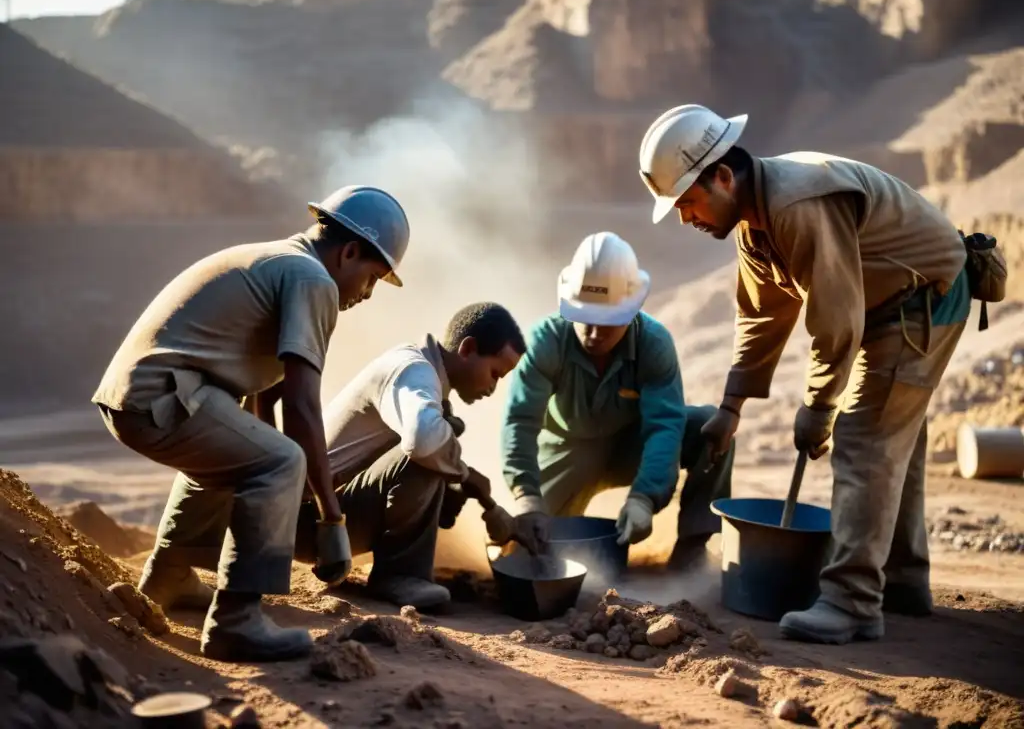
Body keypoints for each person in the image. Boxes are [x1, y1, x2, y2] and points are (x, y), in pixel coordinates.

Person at [637, 103, 977, 644]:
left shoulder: (797, 203)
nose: (685, 218)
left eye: (688, 202)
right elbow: (761, 317)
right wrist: (730, 409)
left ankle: (852, 601)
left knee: (865, 438)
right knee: (895, 440)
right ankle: (902, 582)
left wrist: (820, 407)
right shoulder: (755, 223)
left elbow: (835, 316)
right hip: (885, 306)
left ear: (723, 177)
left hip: (922, 301)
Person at [91, 185, 411, 662]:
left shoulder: (278, 261)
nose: (366, 295)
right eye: (371, 279)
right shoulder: (313, 281)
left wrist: (276, 462)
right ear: (349, 252)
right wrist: (331, 516)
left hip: (139, 396)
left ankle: (170, 579)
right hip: (159, 399)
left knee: (251, 455)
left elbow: (266, 398)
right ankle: (236, 623)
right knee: (283, 461)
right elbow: (302, 408)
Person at [499, 232, 734, 568]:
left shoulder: (654, 344)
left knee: (707, 426)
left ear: (631, 311)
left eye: (607, 324)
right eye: (586, 320)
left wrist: (644, 498)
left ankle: (693, 548)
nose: (594, 334)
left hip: (630, 448)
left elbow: (664, 427)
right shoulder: (546, 340)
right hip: (569, 452)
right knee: (528, 553)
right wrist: (526, 496)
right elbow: (520, 422)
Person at [291, 302, 527, 609]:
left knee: (446, 437)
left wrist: (468, 492)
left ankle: (402, 565)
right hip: (315, 523)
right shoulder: (412, 370)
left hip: (326, 515)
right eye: (495, 373)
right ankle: (400, 574)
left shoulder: (424, 376)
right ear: (468, 349)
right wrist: (466, 475)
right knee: (429, 450)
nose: (493, 387)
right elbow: (423, 441)